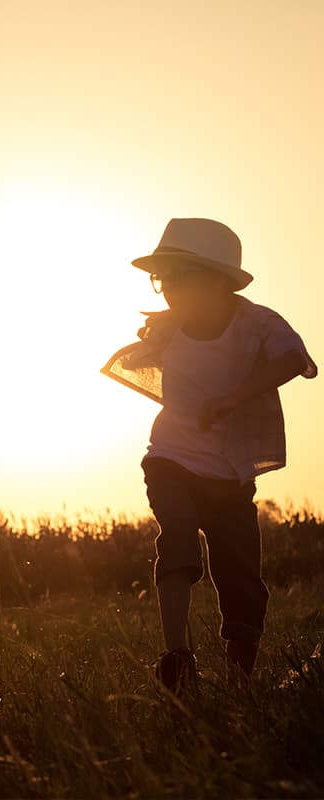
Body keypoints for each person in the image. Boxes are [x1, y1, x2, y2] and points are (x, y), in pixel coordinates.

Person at [102, 218, 316, 695]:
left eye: (180, 274)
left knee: (240, 573)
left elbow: (293, 360)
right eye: (163, 278)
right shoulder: (169, 327)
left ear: (219, 279)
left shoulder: (258, 322)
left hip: (230, 472)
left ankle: (241, 679)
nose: (169, 288)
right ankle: (176, 656)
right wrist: (150, 342)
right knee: (176, 540)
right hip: (170, 458)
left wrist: (234, 398)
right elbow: (146, 361)